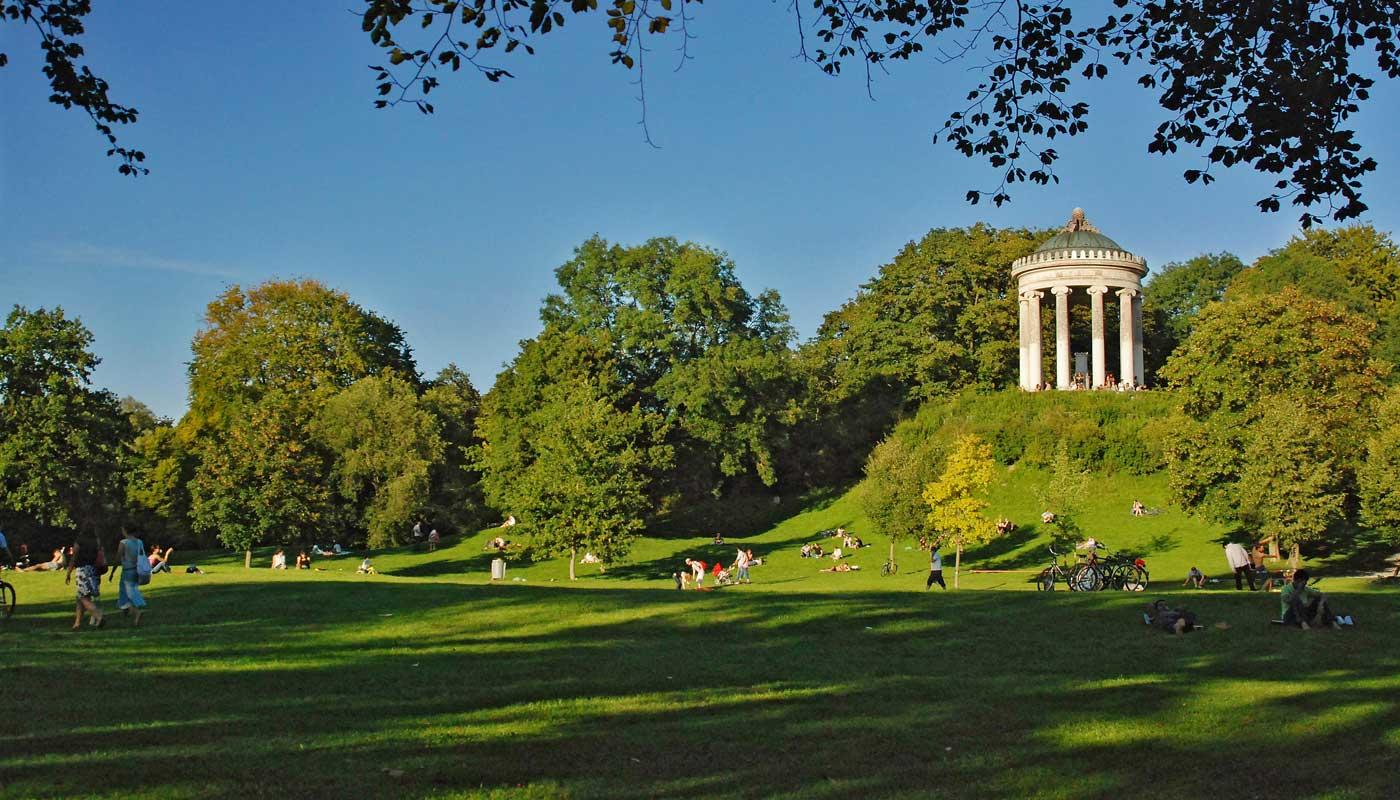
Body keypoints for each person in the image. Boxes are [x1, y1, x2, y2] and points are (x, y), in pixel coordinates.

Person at [1279, 569, 1347, 629]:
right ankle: (1303, 623)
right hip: (1290, 616)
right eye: (1304, 582)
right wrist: (1298, 590)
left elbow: (1323, 594)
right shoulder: (1286, 589)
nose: (1305, 584)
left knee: (1318, 599)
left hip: (1304, 614)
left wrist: (1321, 603)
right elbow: (1289, 601)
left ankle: (1332, 622)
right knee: (1296, 599)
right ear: (1298, 581)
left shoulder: (1306, 589)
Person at [64, 537, 105, 630]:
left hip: (82, 571)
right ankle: (77, 623)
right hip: (94, 570)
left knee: (83, 597)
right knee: (79, 598)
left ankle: (98, 616)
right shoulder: (96, 541)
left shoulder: (79, 542)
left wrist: (68, 572)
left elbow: (74, 558)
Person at [115, 529, 147, 626]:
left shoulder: (123, 543)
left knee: (125, 593)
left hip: (127, 570)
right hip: (137, 570)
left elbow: (118, 557)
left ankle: (135, 612)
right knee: (132, 590)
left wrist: (112, 571)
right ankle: (130, 612)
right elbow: (142, 555)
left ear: (125, 531)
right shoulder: (139, 542)